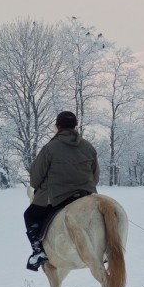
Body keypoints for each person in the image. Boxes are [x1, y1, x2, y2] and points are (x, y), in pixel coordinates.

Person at [25, 111, 99, 271]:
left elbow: (35, 179)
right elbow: (95, 176)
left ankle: (38, 252)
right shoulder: (88, 147)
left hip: (58, 198)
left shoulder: (49, 148)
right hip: (85, 195)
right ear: (75, 126)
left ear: (57, 127)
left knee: (29, 215)